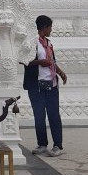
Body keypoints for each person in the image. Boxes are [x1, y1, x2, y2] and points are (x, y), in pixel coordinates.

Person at [23, 14, 68, 157]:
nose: (51, 30)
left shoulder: (48, 44)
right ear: (44, 27)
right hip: (36, 85)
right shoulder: (31, 43)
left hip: (51, 83)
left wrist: (60, 73)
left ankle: (57, 145)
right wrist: (39, 63)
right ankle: (42, 144)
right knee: (39, 116)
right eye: (50, 27)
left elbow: (52, 61)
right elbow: (24, 60)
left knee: (54, 115)